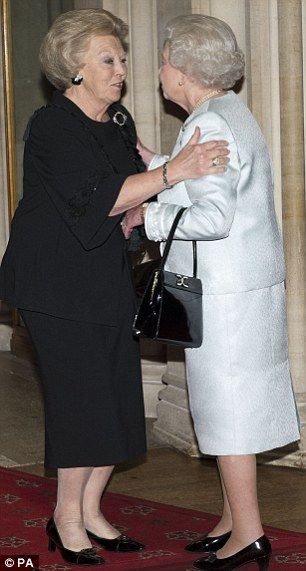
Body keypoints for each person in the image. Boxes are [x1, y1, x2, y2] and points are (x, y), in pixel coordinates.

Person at [0, 9, 229, 567]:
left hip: (102, 276)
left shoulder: (119, 120)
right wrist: (178, 172)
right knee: (83, 404)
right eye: (108, 59)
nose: (122, 69)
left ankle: (94, 510)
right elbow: (98, 197)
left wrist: (153, 196)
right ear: (74, 70)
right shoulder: (52, 126)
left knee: (116, 400)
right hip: (54, 284)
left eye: (122, 59)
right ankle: (66, 519)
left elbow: (130, 189)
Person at [124, 14, 300, 571]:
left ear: (183, 68)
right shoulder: (226, 112)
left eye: (163, 59)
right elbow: (213, 186)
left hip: (225, 297)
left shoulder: (211, 124)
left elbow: (215, 216)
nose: (157, 71)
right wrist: (158, 163)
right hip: (242, 288)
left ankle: (248, 533)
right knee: (232, 408)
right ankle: (230, 519)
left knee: (227, 414)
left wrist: (147, 215)